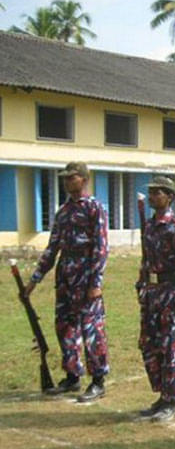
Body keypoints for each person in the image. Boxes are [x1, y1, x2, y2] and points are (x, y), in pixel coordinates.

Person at [24, 161, 109, 403]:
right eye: (64, 178)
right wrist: (34, 281)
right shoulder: (63, 212)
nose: (66, 182)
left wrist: (96, 282)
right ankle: (72, 376)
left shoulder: (95, 208)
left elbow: (101, 248)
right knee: (65, 327)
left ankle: (98, 380)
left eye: (71, 178)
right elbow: (52, 249)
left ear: (83, 179)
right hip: (65, 277)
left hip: (86, 276)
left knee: (91, 329)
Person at [136, 176, 175, 422]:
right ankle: (162, 395)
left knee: (173, 346)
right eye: (150, 193)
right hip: (153, 292)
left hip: (172, 292)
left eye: (157, 192)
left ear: (169, 196)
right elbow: (145, 260)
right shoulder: (149, 226)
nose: (152, 197)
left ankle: (173, 399)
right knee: (151, 345)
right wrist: (141, 286)